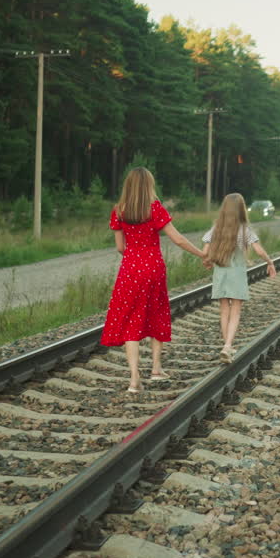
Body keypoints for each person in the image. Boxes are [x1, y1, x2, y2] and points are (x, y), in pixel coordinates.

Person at [101, 168, 207, 393]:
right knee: (156, 312)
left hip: (130, 268)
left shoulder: (118, 211)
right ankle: (156, 369)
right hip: (153, 268)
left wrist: (134, 258)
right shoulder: (155, 209)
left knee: (131, 319)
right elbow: (177, 239)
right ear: (148, 185)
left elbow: (120, 247)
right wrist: (202, 254)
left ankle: (134, 378)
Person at [201, 193, 276, 363]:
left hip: (220, 273)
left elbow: (205, 251)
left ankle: (226, 346)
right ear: (241, 210)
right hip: (237, 274)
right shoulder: (244, 230)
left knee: (224, 311)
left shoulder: (216, 228)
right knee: (235, 311)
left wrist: (207, 260)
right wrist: (269, 262)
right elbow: (259, 251)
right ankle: (228, 346)